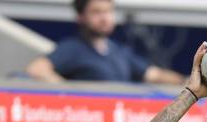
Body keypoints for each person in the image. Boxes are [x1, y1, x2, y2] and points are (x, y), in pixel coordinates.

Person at [26, 0, 184, 85]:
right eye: (96, 12)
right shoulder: (73, 48)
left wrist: (187, 82)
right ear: (81, 17)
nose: (104, 18)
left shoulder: (119, 51)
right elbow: (37, 69)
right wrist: (71, 94)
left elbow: (154, 74)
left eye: (108, 11)